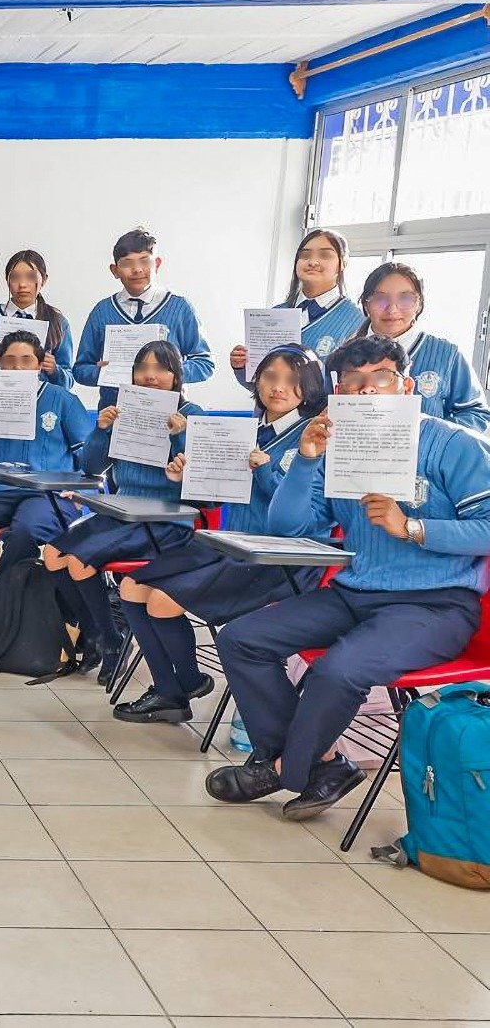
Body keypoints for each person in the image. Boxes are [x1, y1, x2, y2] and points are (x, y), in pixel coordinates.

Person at [211, 335, 490, 819]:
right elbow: (289, 527)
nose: (364, 392)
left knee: (338, 670)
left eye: (378, 379)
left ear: (405, 386)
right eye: (351, 383)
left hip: (436, 603)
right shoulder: (337, 442)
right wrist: (307, 459)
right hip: (354, 590)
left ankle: (280, 769)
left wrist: (416, 528)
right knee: (242, 637)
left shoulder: (452, 444)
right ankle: (321, 764)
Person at [114, 345, 328, 724]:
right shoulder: (245, 427)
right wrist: (186, 478)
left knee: (162, 600)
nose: (278, 388)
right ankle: (174, 690)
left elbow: (301, 520)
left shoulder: (311, 437)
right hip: (229, 543)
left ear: (309, 388)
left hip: (277, 560)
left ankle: (182, 684)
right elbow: (216, 494)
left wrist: (264, 471)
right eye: (270, 377)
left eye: (292, 382)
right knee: (131, 587)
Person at [44, 340, 205, 677]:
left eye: (160, 368)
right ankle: (100, 635)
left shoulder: (193, 416)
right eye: (142, 368)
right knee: (53, 555)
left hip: (163, 519)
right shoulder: (123, 408)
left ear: (176, 375)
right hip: (119, 511)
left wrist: (180, 435)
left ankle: (110, 640)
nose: (150, 376)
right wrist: (102, 431)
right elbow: (91, 466)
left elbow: (202, 483)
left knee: (79, 562)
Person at [0, 330, 91, 646]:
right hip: (1, 490)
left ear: (39, 364)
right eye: (9, 361)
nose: (17, 368)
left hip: (47, 494)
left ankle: (2, 607)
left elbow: (90, 457)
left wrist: (83, 495)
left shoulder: (63, 400)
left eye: (26, 361)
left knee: (25, 530)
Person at [73, 227, 213, 407]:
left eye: (145, 261)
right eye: (126, 263)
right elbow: (80, 370)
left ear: (158, 264)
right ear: (114, 270)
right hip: (114, 416)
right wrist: (105, 373)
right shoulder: (102, 311)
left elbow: (205, 363)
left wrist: (167, 371)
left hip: (168, 414)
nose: (137, 269)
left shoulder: (180, 308)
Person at [349, 261, 490, 431]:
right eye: (380, 299)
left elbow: (476, 413)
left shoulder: (447, 355)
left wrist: (431, 438)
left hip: (427, 457)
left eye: (405, 299)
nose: (392, 309)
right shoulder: (343, 354)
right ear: (366, 304)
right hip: (357, 452)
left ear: (419, 304)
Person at [228, 228, 364, 384]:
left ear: (343, 263)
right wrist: (242, 366)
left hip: (323, 408)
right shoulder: (276, 313)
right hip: (271, 407)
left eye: (325, 255)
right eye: (305, 255)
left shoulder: (355, 320)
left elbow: (352, 384)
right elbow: (257, 385)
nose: (312, 262)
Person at [0, 249, 74, 388]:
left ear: (44, 279)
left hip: (41, 403)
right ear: (6, 280)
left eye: (31, 277)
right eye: (15, 277)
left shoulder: (58, 321)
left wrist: (54, 370)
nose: (22, 284)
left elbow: (69, 379)